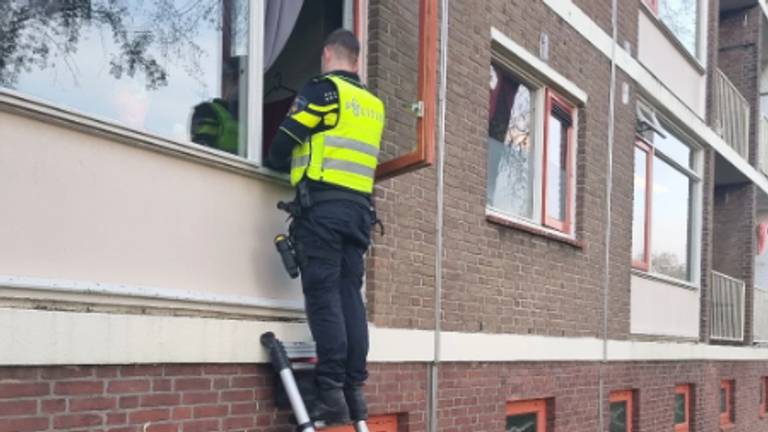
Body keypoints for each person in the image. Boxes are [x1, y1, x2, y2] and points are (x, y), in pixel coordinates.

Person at [267, 29, 386, 426]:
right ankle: (353, 390)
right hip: (359, 215)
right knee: (350, 296)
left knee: (323, 295)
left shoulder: (323, 91)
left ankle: (331, 392)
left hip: (323, 211)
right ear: (356, 60)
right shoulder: (372, 104)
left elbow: (281, 147)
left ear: (326, 55)